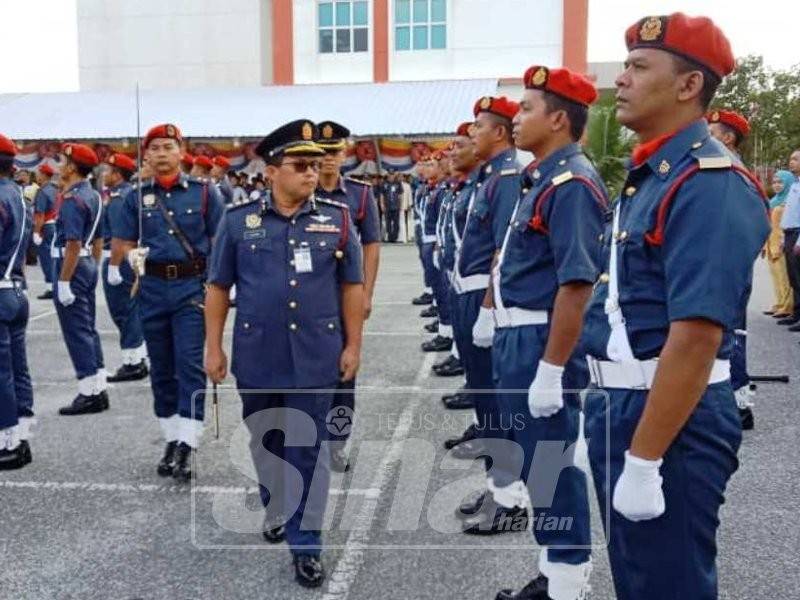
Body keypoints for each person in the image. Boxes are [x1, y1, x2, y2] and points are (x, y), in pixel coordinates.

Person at [581, 14, 770, 599]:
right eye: (626, 66)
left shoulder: (709, 182)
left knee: (667, 583)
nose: (622, 80)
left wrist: (644, 459)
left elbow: (695, 337)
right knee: (639, 577)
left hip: (671, 421)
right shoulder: (654, 174)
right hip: (628, 406)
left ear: (689, 85)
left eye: (639, 67)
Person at [204, 119, 364, 588]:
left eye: (315, 165)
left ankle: (306, 543)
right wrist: (213, 347)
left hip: (316, 354)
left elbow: (352, 287)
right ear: (271, 172)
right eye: (300, 165)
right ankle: (276, 504)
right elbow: (218, 287)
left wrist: (354, 344)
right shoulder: (238, 221)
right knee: (266, 439)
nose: (311, 172)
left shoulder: (337, 219)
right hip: (258, 353)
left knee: (307, 449)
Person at [492, 66, 604, 600]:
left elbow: (576, 285)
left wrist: (552, 370)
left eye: (527, 108)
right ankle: (552, 570)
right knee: (540, 464)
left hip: (541, 342)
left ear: (558, 119)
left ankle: (568, 578)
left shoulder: (572, 184)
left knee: (553, 466)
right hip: (519, 339)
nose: (517, 118)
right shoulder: (542, 178)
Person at [112, 123, 224, 481]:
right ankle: (171, 438)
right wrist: (131, 258)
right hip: (152, 289)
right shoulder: (135, 197)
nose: (162, 153)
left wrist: (218, 288)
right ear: (146, 155)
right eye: (155, 147)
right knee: (161, 369)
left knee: (188, 364)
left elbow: (220, 244)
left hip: (191, 289)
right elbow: (124, 243)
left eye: (168, 147)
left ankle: (189, 443)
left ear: (181, 152)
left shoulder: (205, 194)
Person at [449, 96, 529, 532]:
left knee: (498, 406)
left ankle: (510, 499)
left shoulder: (508, 177)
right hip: (469, 293)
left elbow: (503, 251)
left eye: (478, 126)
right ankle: (499, 485)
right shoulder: (490, 176)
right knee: (485, 400)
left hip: (486, 298)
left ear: (499, 132)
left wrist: (486, 309)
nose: (472, 133)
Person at [707, 109, 756, 428]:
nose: (706, 137)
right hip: (725, 262)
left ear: (727, 138)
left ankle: (738, 404)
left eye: (712, 132)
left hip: (726, 265)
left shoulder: (727, 168)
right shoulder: (725, 166)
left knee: (730, 333)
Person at [53, 144, 108, 416]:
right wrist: (92, 267)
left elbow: (72, 244)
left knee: (76, 331)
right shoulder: (93, 195)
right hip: (85, 263)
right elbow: (97, 239)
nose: (59, 165)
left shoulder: (73, 199)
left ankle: (88, 392)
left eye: (63, 161)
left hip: (71, 265)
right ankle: (98, 386)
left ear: (73, 167)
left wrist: (64, 281)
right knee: (88, 328)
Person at [0, 135, 35, 470]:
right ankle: (21, 433)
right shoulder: (20, 196)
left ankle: (7, 441)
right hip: (15, 288)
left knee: (1, 372)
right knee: (17, 365)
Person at [439, 123, 480, 399]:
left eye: (459, 146)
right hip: (460, 277)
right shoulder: (464, 188)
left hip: (478, 287)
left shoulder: (495, 183)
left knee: (482, 363)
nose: (452, 153)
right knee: (470, 351)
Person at [101, 153, 148, 382]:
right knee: (131, 310)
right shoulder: (128, 194)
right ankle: (138, 357)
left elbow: (120, 236)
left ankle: (133, 362)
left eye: (108, 170)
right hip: (127, 258)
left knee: (124, 311)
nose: (104, 174)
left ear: (117, 174)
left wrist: (113, 266)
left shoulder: (120, 198)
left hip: (118, 258)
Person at [421, 151, 454, 352]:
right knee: (440, 289)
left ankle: (447, 332)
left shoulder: (444, 190)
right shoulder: (437, 189)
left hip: (437, 243)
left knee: (444, 291)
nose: (427, 169)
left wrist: (438, 246)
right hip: (431, 241)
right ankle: (445, 328)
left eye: (432, 165)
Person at [763, 170, 795, 318]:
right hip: (771, 242)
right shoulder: (774, 201)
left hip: (782, 243)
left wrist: (783, 242)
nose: (776, 185)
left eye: (780, 182)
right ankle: (780, 302)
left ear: (788, 183)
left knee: (785, 276)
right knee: (776, 275)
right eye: (774, 182)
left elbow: (789, 224)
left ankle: (788, 305)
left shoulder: (789, 202)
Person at [778, 150, 800, 326]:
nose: (791, 162)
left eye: (796, 159)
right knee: (793, 277)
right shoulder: (794, 185)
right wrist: (783, 238)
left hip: (798, 234)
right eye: (791, 159)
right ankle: (796, 313)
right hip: (789, 234)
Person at [31, 163, 59, 300]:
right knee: (52, 257)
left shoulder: (42, 191)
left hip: (45, 227)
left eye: (38, 173)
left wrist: (36, 232)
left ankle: (51, 287)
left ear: (43, 175)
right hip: (54, 225)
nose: (37, 176)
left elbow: (40, 215)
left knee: (45, 258)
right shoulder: (55, 189)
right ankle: (54, 285)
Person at [411, 156, 435, 306]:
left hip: (430, 232)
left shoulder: (434, 188)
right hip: (421, 227)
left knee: (431, 263)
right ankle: (429, 290)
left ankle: (431, 293)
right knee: (425, 261)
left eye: (427, 165)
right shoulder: (422, 185)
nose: (422, 168)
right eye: (420, 164)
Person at [382, 172, 403, 242]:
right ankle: (390, 237)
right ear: (388, 175)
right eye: (390, 175)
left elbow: (400, 195)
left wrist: (401, 205)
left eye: (392, 175)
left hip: (396, 206)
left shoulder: (398, 183)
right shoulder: (384, 183)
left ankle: (395, 237)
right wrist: (382, 204)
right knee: (388, 223)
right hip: (387, 206)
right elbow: (382, 195)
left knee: (396, 223)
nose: (391, 176)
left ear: (394, 175)